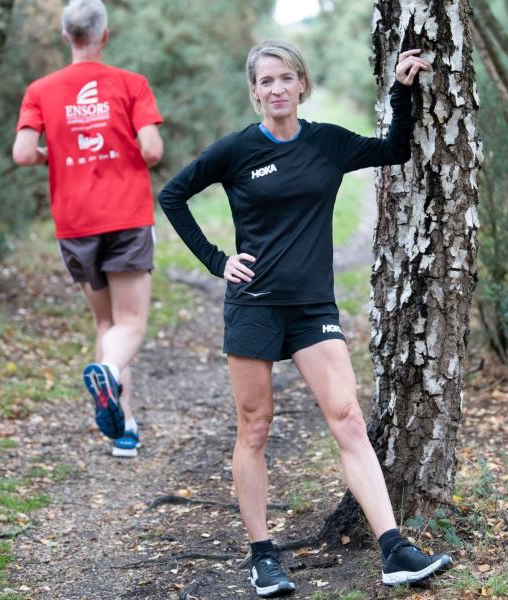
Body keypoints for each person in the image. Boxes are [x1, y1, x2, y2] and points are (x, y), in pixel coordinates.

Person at [159, 40, 452, 597]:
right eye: (265, 81)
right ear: (255, 91)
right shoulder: (237, 149)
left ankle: (393, 548)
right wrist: (219, 262)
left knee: (346, 416)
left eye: (285, 78)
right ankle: (263, 555)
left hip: (312, 306)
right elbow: (173, 195)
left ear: (301, 84)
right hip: (254, 305)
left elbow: (393, 149)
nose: (275, 89)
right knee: (256, 426)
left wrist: (402, 89)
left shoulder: (326, 143)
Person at [12, 0, 162, 458]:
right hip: (126, 215)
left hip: (74, 222)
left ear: (66, 36)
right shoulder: (131, 84)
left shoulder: (40, 89)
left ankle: (124, 428)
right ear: (105, 35)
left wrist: (52, 155)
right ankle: (110, 378)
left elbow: (22, 153)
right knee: (130, 323)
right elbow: (153, 151)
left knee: (106, 322)